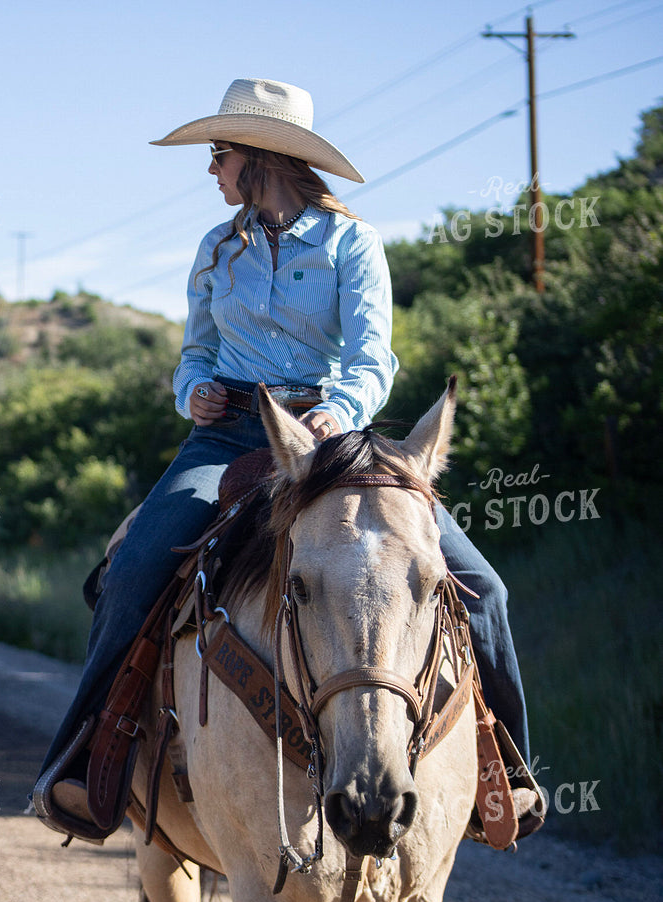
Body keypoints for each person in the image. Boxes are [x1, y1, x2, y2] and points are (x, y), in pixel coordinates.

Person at [34, 78, 535, 837]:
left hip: (331, 439)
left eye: (219, 153)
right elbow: (194, 353)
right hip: (229, 433)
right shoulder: (215, 248)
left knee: (483, 589)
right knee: (133, 567)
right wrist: (194, 390)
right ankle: (85, 762)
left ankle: (503, 775)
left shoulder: (351, 243)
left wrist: (339, 410)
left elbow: (375, 357)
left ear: (260, 158)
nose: (211, 170)